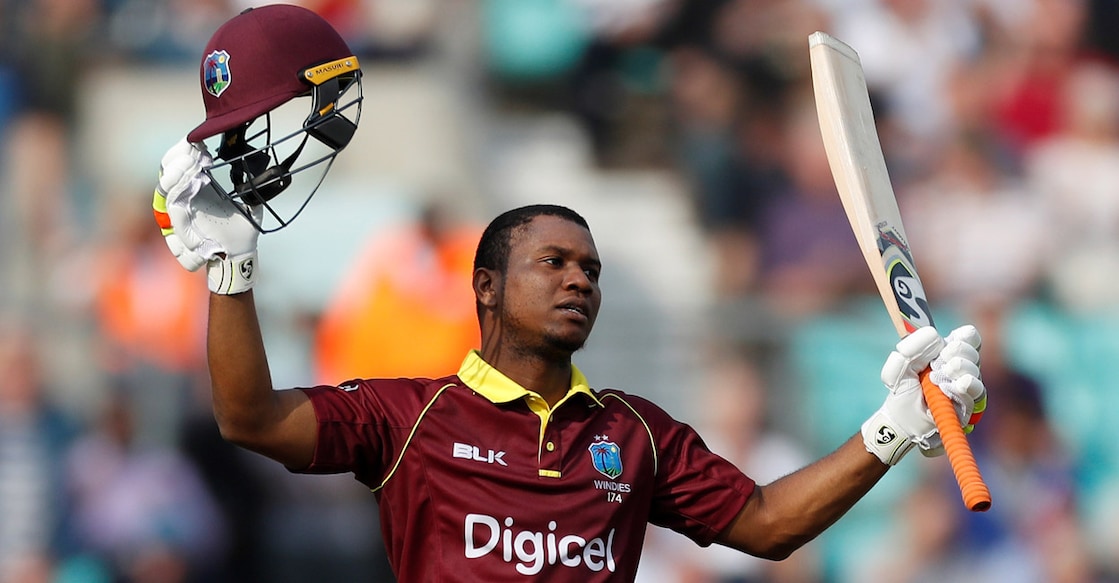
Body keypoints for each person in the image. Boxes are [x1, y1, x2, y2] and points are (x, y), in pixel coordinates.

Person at [150, 4, 988, 581]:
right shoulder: (411, 419)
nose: (578, 278)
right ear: (484, 286)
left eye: (588, 267)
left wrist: (892, 428)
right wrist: (232, 274)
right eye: (551, 262)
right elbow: (249, 417)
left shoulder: (634, 434)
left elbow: (766, 524)